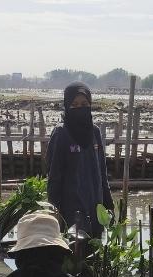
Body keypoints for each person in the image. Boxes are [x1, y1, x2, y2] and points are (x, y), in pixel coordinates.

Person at [46, 82, 114, 239]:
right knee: (74, 253)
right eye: (74, 105)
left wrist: (108, 205)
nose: (80, 108)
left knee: (95, 254)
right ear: (67, 106)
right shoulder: (61, 133)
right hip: (71, 210)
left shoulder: (95, 132)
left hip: (95, 207)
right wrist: (54, 211)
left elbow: (102, 174)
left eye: (84, 104)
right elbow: (54, 177)